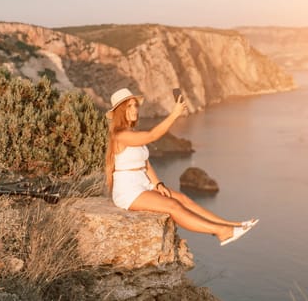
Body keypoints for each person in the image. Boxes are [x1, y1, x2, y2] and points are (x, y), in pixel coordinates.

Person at [105, 88, 258, 246]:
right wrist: (175, 114)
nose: (134, 109)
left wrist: (158, 184)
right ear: (120, 111)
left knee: (184, 199)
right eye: (129, 106)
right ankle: (222, 232)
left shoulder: (132, 132)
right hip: (128, 190)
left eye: (135, 105)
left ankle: (230, 225)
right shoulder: (120, 135)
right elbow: (152, 135)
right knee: (173, 206)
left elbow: (145, 163)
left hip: (143, 183)